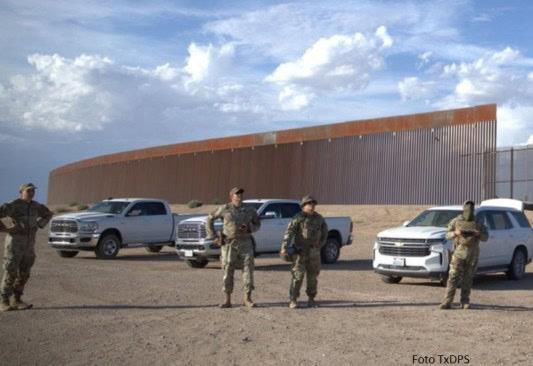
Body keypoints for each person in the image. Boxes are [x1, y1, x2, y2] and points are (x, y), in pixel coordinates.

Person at [0, 183, 53, 311]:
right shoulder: (14, 205)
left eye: (33, 191)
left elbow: (48, 214)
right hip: (15, 244)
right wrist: (6, 229)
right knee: (10, 271)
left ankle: (16, 299)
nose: (31, 193)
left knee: (25, 272)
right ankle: (3, 301)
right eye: (28, 191)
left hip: (29, 245)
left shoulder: (36, 206)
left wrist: (39, 224)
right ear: (21, 192)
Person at [206, 187, 261, 308]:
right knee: (228, 269)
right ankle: (227, 300)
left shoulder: (249, 210)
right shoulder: (225, 209)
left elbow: (258, 223)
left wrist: (250, 228)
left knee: (248, 270)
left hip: (245, 243)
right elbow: (210, 218)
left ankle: (247, 298)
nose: (239, 196)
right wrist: (213, 236)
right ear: (231, 196)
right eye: (236, 194)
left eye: (241, 194)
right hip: (229, 243)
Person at [280, 196, 328, 309]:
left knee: (313, 277)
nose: (312, 205)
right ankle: (293, 299)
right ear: (303, 205)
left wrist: (319, 246)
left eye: (313, 203)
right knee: (297, 276)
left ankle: (311, 299)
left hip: (314, 253)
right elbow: (289, 233)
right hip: (300, 252)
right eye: (309, 203)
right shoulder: (298, 218)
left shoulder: (319, 218)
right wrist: (284, 247)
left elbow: (325, 233)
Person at [440, 200, 488, 310]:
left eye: (471, 209)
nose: (469, 211)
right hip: (458, 253)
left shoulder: (478, 222)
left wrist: (478, 234)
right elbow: (446, 234)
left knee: (468, 278)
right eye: (467, 209)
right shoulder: (456, 221)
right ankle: (447, 301)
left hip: (472, 255)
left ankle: (465, 301)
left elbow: (486, 237)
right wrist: (455, 233)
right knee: (453, 277)